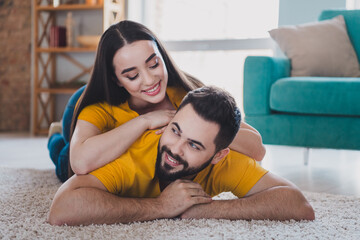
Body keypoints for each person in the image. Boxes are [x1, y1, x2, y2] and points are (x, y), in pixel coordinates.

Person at [48, 86, 314, 226]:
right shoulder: (138, 152)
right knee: (63, 161)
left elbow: (299, 205)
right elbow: (61, 209)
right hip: (89, 104)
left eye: (195, 146)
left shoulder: (227, 161)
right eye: (175, 131)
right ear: (170, 121)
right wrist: (161, 207)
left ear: (219, 155)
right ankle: (55, 134)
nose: (175, 150)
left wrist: (210, 210)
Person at [47, 20, 266, 182]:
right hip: (79, 104)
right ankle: (54, 133)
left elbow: (258, 149)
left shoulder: (186, 93)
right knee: (64, 157)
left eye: (153, 64)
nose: (150, 79)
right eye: (132, 75)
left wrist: (198, 128)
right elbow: (81, 162)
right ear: (117, 79)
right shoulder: (99, 109)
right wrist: (146, 121)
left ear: (162, 57)